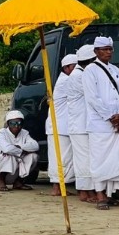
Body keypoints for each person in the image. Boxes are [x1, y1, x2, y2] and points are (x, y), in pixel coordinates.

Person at [83, 36, 119, 207]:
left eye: (110, 49)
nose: (108, 52)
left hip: (117, 123)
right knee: (99, 159)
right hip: (99, 124)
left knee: (115, 160)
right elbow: (92, 98)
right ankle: (100, 195)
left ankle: (109, 194)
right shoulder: (90, 70)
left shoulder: (116, 70)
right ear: (96, 51)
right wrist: (110, 116)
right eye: (104, 49)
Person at [66, 45, 97, 202]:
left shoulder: (80, 73)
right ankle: (85, 192)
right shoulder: (78, 76)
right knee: (83, 159)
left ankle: (88, 191)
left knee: (85, 159)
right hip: (79, 125)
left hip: (83, 124)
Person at [46, 54, 78, 196]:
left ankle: (60, 187)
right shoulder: (66, 81)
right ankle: (56, 188)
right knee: (59, 158)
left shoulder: (67, 79)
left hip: (63, 125)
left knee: (63, 158)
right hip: (58, 126)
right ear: (66, 68)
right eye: (74, 66)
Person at [0, 111, 39, 192]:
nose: (16, 126)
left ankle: (19, 182)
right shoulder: (0, 133)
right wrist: (22, 151)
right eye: (13, 123)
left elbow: (35, 145)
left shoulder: (24, 133)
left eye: (19, 123)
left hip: (17, 169)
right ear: (8, 124)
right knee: (7, 155)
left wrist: (20, 146)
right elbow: (7, 149)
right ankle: (1, 182)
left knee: (33, 156)